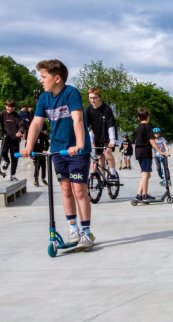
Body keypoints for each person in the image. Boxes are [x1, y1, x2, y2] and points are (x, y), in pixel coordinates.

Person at [21, 59, 94, 248]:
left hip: (77, 151)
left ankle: (86, 232)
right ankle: (73, 229)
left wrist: (79, 144)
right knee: (66, 190)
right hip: (57, 150)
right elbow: (36, 123)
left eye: (44, 77)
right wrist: (29, 146)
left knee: (79, 189)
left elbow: (77, 120)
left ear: (57, 78)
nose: (41, 80)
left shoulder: (71, 93)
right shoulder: (44, 98)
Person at [85, 87, 118, 180]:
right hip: (97, 136)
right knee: (100, 157)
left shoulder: (106, 109)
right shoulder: (88, 110)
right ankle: (102, 175)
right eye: (90, 97)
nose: (92, 100)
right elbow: (85, 126)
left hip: (108, 136)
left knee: (107, 152)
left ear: (99, 97)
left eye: (94, 98)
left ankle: (113, 173)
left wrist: (112, 141)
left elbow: (111, 126)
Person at [134, 108, 165, 200]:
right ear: (148, 117)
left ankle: (139, 194)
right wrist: (160, 151)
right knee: (145, 173)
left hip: (138, 152)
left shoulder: (138, 128)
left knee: (146, 174)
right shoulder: (148, 127)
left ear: (138, 118)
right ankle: (145, 194)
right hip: (145, 151)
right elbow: (152, 141)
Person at [0, 99, 27, 180]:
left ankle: (13, 175)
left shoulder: (17, 116)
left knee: (14, 157)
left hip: (15, 139)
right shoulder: (2, 114)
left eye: (11, 107)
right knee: (3, 152)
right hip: (6, 138)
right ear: (6, 106)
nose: (9, 109)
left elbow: (22, 125)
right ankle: (7, 161)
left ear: (14, 108)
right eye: (8, 107)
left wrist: (20, 131)